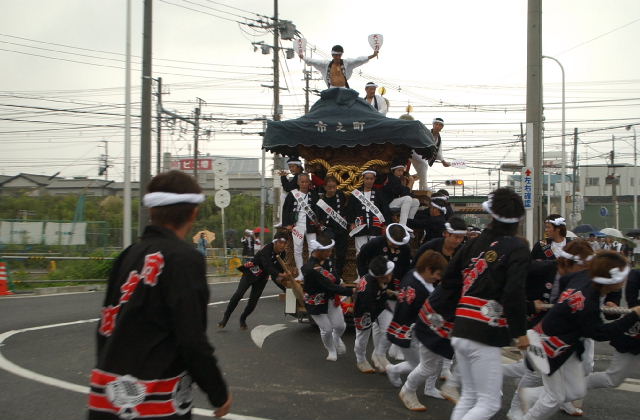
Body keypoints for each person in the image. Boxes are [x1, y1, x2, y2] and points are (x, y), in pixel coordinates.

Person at [88, 170, 231, 419]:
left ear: (151, 211)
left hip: (106, 395)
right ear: (193, 212)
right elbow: (191, 339)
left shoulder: (129, 254)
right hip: (154, 403)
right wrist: (218, 392)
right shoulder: (185, 259)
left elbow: (105, 324)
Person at [440, 187, 530, 420]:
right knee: (489, 403)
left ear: (491, 213)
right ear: (518, 220)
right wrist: (520, 332)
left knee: (470, 396)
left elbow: (449, 280)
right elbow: (514, 292)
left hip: (461, 326)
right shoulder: (518, 247)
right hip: (485, 331)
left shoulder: (474, 242)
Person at [519, 251, 640, 420]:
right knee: (555, 398)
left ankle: (532, 395)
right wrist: (633, 316)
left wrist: (564, 306)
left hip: (562, 342)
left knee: (577, 391)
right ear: (612, 280)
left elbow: (565, 280)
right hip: (548, 343)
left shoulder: (584, 275)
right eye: (623, 277)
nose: (625, 280)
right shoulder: (588, 303)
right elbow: (599, 333)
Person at [386, 251, 448, 403]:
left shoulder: (412, 274)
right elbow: (423, 313)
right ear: (428, 269)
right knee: (423, 365)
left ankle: (429, 387)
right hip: (413, 331)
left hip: (413, 327)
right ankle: (394, 370)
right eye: (437, 274)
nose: (438, 278)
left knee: (433, 360)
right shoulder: (421, 290)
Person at [357, 223, 413, 371]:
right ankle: (364, 358)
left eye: (399, 244)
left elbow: (407, 268)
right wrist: (365, 278)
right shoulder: (374, 244)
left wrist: (403, 287)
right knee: (370, 326)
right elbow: (361, 260)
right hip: (373, 286)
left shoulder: (405, 249)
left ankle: (378, 354)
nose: (396, 246)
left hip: (394, 288)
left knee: (387, 326)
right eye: (394, 243)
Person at [218, 233, 293, 330]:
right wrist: (280, 274)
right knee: (239, 294)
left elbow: (277, 271)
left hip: (262, 277)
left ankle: (243, 318)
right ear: (275, 242)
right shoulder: (266, 249)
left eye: (284, 243)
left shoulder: (282, 254)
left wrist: (286, 288)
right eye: (280, 242)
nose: (282, 245)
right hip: (251, 272)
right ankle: (225, 318)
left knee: (253, 303)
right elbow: (268, 266)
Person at [302, 234, 354, 361]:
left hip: (330, 297)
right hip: (316, 301)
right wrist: (351, 291)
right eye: (328, 251)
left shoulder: (328, 260)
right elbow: (330, 285)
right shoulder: (311, 268)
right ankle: (331, 350)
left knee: (341, 326)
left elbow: (334, 275)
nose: (330, 253)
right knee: (327, 329)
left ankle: (336, 338)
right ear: (319, 251)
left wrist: (338, 280)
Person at [353, 256, 394, 373]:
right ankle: (361, 359)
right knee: (362, 338)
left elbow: (381, 293)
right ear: (381, 276)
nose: (392, 274)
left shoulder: (381, 279)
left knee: (390, 329)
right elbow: (368, 306)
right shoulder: (368, 289)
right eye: (389, 273)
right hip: (363, 312)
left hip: (380, 305)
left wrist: (388, 292)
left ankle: (378, 355)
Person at [282, 173, 320, 279]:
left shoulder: (314, 194)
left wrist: (318, 222)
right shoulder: (292, 194)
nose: (304, 184)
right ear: (298, 182)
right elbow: (286, 210)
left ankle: (310, 272)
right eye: (302, 182)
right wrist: (287, 224)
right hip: (297, 226)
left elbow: (318, 210)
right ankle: (301, 273)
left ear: (309, 183)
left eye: (306, 182)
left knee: (313, 249)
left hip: (311, 226)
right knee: (297, 249)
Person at [348, 170, 390, 254]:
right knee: (360, 251)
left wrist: (386, 224)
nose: (369, 181)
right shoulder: (356, 193)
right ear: (363, 179)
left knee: (375, 251)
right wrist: (351, 223)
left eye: (371, 179)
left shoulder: (379, 193)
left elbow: (385, 209)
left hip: (375, 225)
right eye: (367, 178)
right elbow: (350, 209)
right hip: (360, 225)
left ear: (374, 179)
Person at [300, 44, 378, 89]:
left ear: (341, 55)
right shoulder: (326, 64)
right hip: (332, 88)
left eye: (339, 55)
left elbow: (358, 60)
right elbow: (313, 61)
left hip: (344, 87)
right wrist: (303, 57)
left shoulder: (346, 63)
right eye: (336, 55)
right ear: (332, 55)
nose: (337, 57)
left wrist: (372, 55)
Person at [316, 175, 349, 280]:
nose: (332, 189)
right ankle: (328, 273)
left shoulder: (340, 194)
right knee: (328, 252)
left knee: (341, 253)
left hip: (341, 228)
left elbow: (345, 207)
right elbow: (318, 218)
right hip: (329, 229)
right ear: (325, 187)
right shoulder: (321, 201)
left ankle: (339, 275)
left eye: (334, 187)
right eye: (329, 187)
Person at [410, 118, 450, 190]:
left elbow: (438, 151)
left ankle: (419, 187)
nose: (438, 126)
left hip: (422, 155)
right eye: (436, 124)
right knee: (424, 165)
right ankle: (424, 187)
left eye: (440, 125)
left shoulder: (439, 139)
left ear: (442, 127)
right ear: (433, 125)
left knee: (422, 172)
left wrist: (443, 161)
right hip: (414, 152)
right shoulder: (426, 132)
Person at [383, 159, 420, 226]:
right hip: (387, 204)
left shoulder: (398, 179)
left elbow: (407, 193)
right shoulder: (392, 178)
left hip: (395, 202)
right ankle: (403, 224)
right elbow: (405, 193)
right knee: (407, 198)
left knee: (416, 201)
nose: (401, 173)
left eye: (402, 171)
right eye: (399, 170)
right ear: (393, 170)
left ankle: (409, 222)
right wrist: (411, 182)